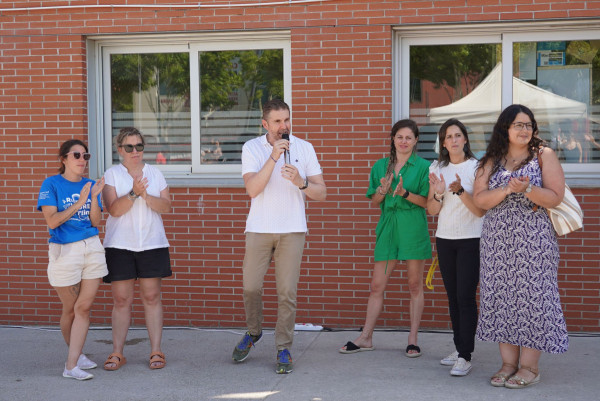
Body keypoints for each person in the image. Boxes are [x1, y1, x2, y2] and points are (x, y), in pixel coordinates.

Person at [473, 104, 569, 388]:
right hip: (497, 244)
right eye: (518, 124)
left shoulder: (544, 155)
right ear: (505, 128)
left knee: (533, 299)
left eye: (529, 125)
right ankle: (507, 364)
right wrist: (506, 188)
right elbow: (479, 200)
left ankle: (529, 367)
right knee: (502, 298)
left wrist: (527, 188)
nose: (525, 129)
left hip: (535, 243)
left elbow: (555, 197)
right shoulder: (491, 159)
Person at [231, 99, 327, 374]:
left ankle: (283, 347)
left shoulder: (304, 148)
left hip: (292, 229)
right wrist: (273, 156)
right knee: (250, 286)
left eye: (286, 120)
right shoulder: (251, 148)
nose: (284, 126)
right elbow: (252, 189)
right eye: (277, 121)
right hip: (259, 228)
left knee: (287, 292)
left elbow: (322, 193)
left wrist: (302, 182)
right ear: (265, 124)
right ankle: (254, 331)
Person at [339, 119, 431, 358]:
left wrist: (404, 193)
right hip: (388, 226)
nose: (404, 141)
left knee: (414, 284)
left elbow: (427, 203)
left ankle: (412, 339)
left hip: (412, 225)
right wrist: (383, 190)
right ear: (393, 139)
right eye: (399, 137)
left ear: (416, 141)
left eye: (408, 137)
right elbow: (375, 201)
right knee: (377, 285)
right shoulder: (381, 166)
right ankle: (366, 336)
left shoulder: (423, 167)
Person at [102, 127, 172, 371]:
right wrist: (134, 193)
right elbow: (114, 209)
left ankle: (156, 351)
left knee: (152, 297)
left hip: (152, 243)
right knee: (122, 299)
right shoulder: (112, 174)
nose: (135, 151)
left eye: (139, 146)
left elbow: (165, 206)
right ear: (120, 150)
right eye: (129, 147)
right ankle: (117, 353)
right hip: (120, 245)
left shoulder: (155, 173)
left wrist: (145, 196)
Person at [37, 139, 107, 380]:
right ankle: (76, 356)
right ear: (64, 159)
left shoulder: (90, 184)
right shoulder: (51, 184)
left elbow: (96, 222)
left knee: (83, 307)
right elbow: (52, 221)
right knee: (70, 309)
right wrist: (79, 202)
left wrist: (95, 197)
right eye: (76, 155)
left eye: (85, 156)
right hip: (64, 250)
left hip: (92, 246)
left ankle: (71, 364)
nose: (81, 160)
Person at [427, 119, 485, 376]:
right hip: (445, 239)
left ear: (465, 139)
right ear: (443, 142)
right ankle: (459, 347)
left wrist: (461, 191)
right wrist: (439, 193)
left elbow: (480, 211)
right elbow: (432, 210)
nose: (453, 140)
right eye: (448, 136)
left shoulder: (478, 167)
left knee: (465, 297)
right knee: (452, 297)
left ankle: (465, 355)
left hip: (471, 239)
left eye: (457, 135)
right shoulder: (436, 167)